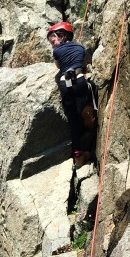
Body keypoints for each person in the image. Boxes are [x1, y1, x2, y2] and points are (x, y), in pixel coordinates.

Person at [47, 21, 98, 166]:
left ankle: (78, 156)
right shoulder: (80, 47)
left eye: (54, 40)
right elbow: (84, 62)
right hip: (80, 80)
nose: (53, 44)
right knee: (91, 87)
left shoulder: (56, 52)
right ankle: (86, 109)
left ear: (62, 36)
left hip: (64, 84)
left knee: (73, 122)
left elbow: (58, 66)